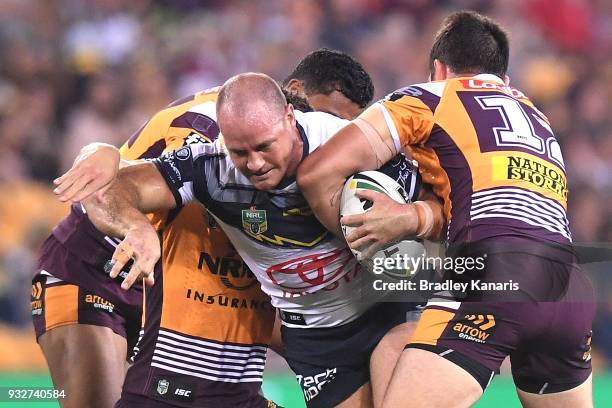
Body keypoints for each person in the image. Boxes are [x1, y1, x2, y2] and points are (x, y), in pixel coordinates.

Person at [75, 72, 441, 408]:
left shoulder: (345, 143)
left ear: (289, 118)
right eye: (240, 152)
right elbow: (113, 189)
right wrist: (136, 227)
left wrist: (413, 217)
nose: (254, 164)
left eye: (265, 146)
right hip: (317, 339)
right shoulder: (211, 167)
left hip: (388, 305)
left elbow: (442, 202)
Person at [36, 49, 374, 408]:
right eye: (331, 120)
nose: (337, 145)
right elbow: (106, 187)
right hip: (97, 268)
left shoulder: (274, 145)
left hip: (179, 276)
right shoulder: (218, 141)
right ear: (294, 97)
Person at [297, 11, 595, 408]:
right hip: (570, 294)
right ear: (503, 78)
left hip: (493, 275)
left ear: (439, 67)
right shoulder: (539, 120)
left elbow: (318, 173)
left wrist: (356, 236)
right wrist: (417, 217)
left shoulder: (426, 98)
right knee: (396, 346)